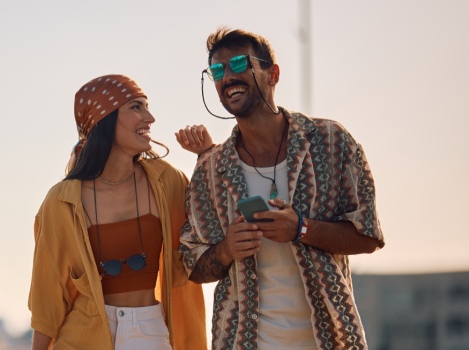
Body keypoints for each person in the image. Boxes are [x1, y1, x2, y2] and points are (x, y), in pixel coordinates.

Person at [178, 27, 385, 350]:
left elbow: (369, 236)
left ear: (272, 74)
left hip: (329, 340)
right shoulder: (211, 169)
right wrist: (225, 250)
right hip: (245, 342)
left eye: (239, 65)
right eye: (217, 70)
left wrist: (300, 228)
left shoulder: (330, 141)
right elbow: (193, 265)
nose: (227, 77)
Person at [28, 74, 210, 349]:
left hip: (151, 332)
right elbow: (48, 298)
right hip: (83, 337)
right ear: (105, 119)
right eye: (136, 107)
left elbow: (210, 234)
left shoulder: (167, 182)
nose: (150, 118)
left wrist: (207, 154)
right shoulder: (62, 202)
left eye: (146, 106)